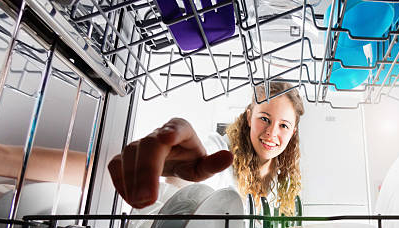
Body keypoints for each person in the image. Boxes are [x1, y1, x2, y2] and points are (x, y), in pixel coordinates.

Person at [108, 81, 305, 216]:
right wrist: (179, 172)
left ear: (293, 131)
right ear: (248, 117)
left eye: (283, 125)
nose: (271, 132)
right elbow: (188, 182)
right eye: (264, 119)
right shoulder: (221, 152)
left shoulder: (283, 180)